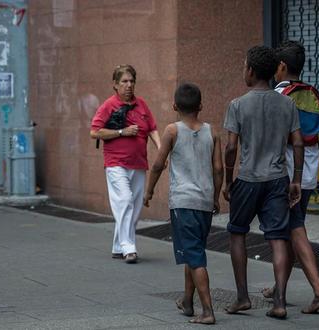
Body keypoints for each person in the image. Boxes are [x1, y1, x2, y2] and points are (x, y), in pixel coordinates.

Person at [222, 45, 304, 319]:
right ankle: (279, 301)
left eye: (244, 66)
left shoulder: (237, 105)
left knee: (237, 232)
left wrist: (227, 178)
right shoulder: (287, 103)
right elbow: (298, 143)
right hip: (278, 179)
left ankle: (243, 296)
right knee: (279, 238)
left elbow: (231, 147)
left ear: (251, 71)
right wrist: (297, 180)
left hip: (248, 178)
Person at [260, 40, 319, 314]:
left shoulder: (275, 97)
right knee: (294, 228)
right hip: (308, 179)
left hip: (285, 178)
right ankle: (278, 288)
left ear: (280, 67)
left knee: (294, 230)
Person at [144, 83, 222, 325]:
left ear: (174, 106)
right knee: (193, 249)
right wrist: (216, 197)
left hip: (183, 202)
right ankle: (188, 301)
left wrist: (148, 191)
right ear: (200, 106)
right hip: (204, 202)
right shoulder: (212, 131)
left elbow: (158, 164)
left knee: (195, 256)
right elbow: (218, 169)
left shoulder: (172, 131)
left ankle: (207, 310)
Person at [90, 65, 161, 264]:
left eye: (131, 81)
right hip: (116, 163)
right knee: (125, 201)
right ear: (115, 84)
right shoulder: (108, 105)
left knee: (134, 207)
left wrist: (162, 149)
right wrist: (122, 132)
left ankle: (117, 246)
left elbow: (152, 129)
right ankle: (129, 248)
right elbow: (95, 132)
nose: (129, 85)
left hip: (138, 163)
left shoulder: (142, 105)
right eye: (124, 81)